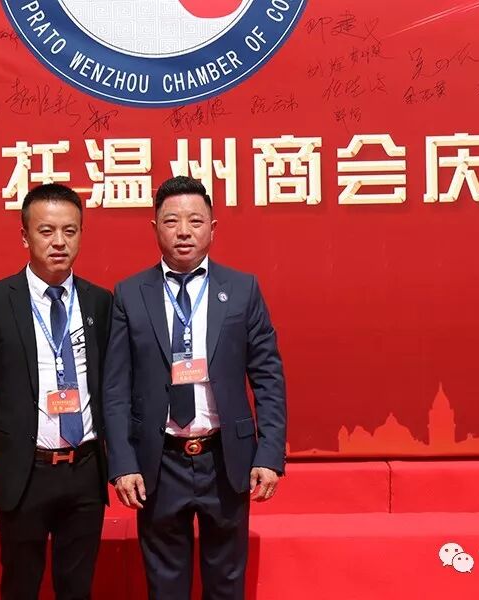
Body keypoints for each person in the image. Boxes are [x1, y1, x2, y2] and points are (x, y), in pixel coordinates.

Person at [103, 175, 287, 599]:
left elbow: (268, 377)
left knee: (226, 584)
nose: (183, 231)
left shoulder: (241, 289)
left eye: (195, 221)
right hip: (159, 460)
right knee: (165, 586)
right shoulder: (130, 294)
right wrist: (123, 462)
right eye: (171, 221)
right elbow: (115, 388)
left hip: (225, 457)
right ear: (155, 229)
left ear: (213, 228)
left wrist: (269, 453)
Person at [0, 183, 112, 600]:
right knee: (21, 586)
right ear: (25, 236)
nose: (59, 241)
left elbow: (111, 382)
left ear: (81, 234)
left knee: (77, 588)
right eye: (46, 231)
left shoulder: (100, 303)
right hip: (27, 471)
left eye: (70, 230)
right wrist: (12, 435)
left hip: (85, 469)